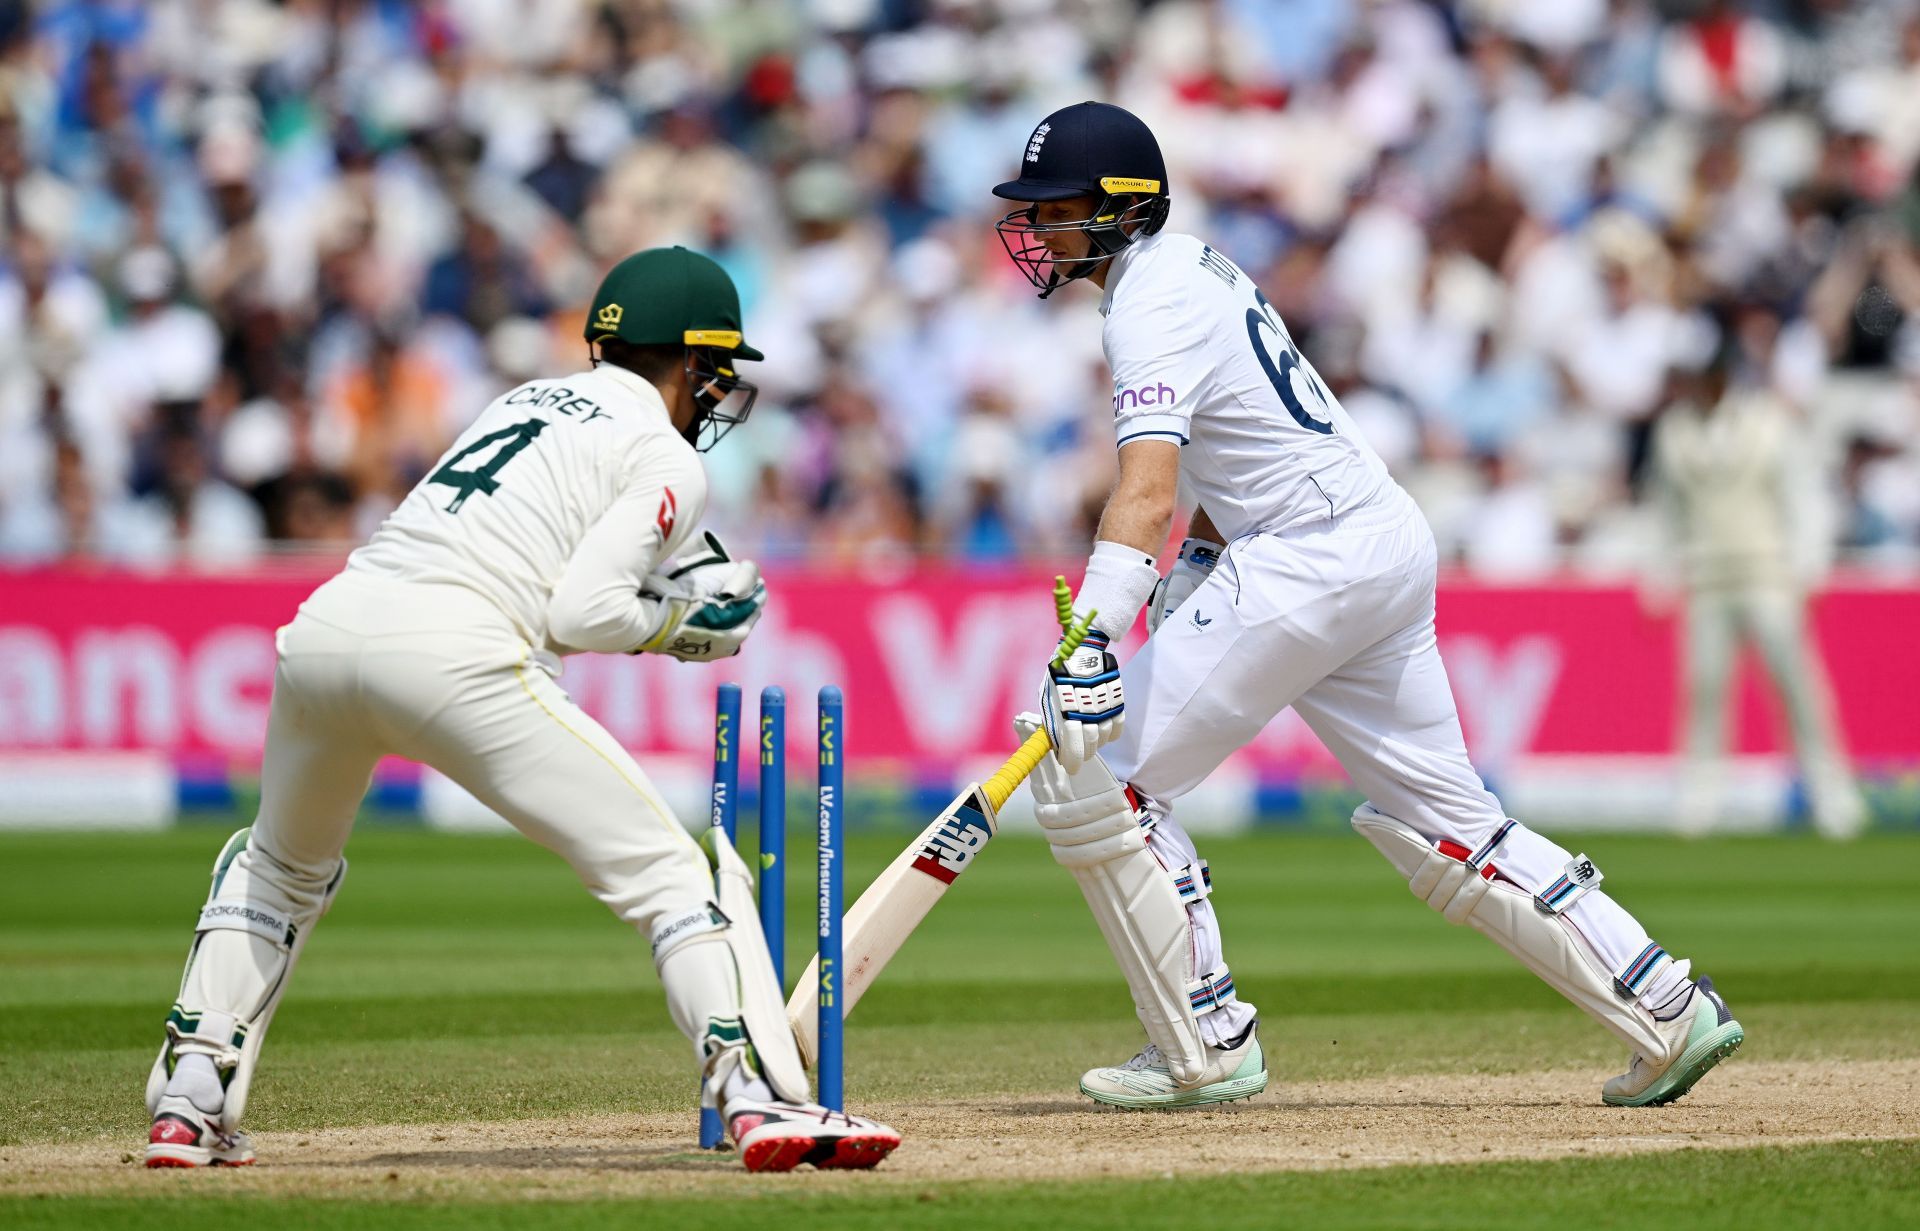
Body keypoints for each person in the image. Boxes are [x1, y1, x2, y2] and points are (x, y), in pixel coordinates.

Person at [995, 102, 1744, 1111]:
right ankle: (1665, 1003)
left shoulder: (1147, 302)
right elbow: (1235, 445)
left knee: (1100, 776)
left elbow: (1147, 487)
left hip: (1307, 557)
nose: (1039, 230)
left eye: (1058, 209)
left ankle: (1203, 1041)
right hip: (1376, 541)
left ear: (1123, 209)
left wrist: (1092, 639)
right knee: (1451, 820)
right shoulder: (1193, 270)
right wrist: (1190, 571)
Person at [142, 247, 900, 1173]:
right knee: (667, 871)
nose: (717, 395)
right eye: (716, 372)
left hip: (327, 629)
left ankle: (188, 1104)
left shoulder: (523, 398)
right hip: (457, 651)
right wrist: (679, 625)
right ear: (693, 362)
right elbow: (579, 612)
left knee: (277, 866)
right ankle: (752, 1096)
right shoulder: (663, 454)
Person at [1647, 349, 1867, 839]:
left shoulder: (1769, 422)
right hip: (1707, 577)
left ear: (1725, 376)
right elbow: (1667, 510)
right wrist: (1660, 572)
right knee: (1704, 688)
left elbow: (1801, 494)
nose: (1699, 388)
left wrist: (1810, 562)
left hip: (1766, 573)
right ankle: (1699, 800)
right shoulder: (1675, 430)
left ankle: (1832, 795)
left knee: (1796, 685)